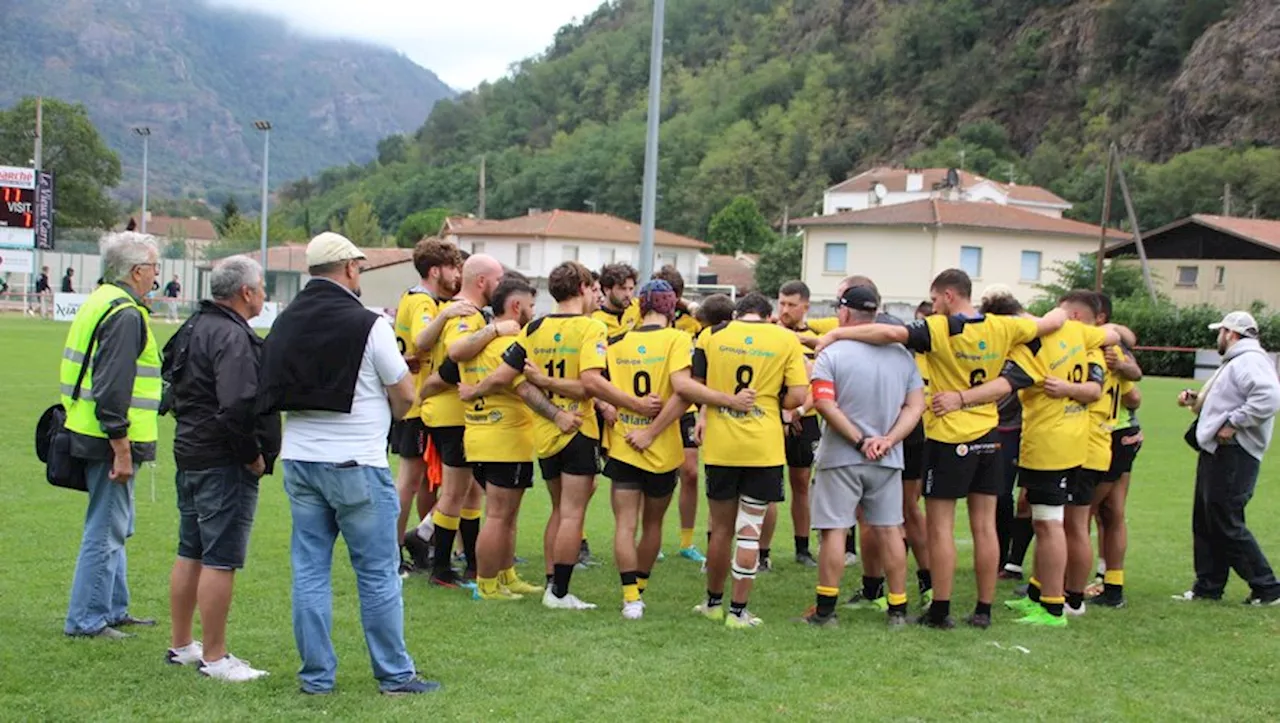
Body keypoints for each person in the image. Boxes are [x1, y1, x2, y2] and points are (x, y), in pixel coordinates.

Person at [817, 269, 1066, 629]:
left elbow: (889, 332)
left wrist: (838, 332)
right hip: (990, 434)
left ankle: (940, 610)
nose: (932, 307)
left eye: (934, 300)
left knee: (940, 529)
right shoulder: (1004, 326)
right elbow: (1053, 321)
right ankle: (983, 610)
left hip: (950, 436)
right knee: (985, 527)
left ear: (949, 296)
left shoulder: (941, 327)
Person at [257, 232, 436, 695]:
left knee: (310, 569)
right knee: (376, 572)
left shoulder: (284, 322)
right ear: (351, 269)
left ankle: (316, 676)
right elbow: (404, 394)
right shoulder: (369, 324)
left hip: (301, 459)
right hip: (357, 461)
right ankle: (394, 674)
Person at [467, 261, 645, 610]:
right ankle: (560, 593)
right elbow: (588, 385)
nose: (595, 294)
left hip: (546, 433)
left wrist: (474, 390)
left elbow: (509, 376)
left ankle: (552, 583)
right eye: (592, 287)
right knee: (572, 514)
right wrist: (634, 405)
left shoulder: (533, 327)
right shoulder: (590, 328)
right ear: (580, 288)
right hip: (579, 428)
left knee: (559, 510)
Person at [937, 290, 1120, 628]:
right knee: (1061, 523)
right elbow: (1115, 333)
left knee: (1048, 525)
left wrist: (959, 398)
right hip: (1079, 443)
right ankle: (1054, 597)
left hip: (1048, 445)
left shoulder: (1032, 346)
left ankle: (1052, 608)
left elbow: (1002, 386)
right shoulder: (1080, 331)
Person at [165, 255, 279, 681]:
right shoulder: (232, 337)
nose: (265, 295)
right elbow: (236, 405)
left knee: (190, 549)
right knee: (220, 558)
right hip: (221, 460)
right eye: (262, 287)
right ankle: (214, 656)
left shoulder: (192, 326)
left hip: (190, 451)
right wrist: (250, 454)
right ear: (246, 292)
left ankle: (182, 644)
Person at [801, 285, 925, 627]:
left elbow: (825, 404)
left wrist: (859, 441)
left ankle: (826, 610)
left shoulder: (832, 353)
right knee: (890, 530)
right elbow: (915, 406)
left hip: (842, 456)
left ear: (843, 314)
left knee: (835, 531)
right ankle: (898, 609)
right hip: (887, 458)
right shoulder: (903, 355)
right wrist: (887, 440)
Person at [60, 232, 163, 640]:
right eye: (155, 269)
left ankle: (113, 609)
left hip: (87, 428)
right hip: (108, 439)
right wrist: (120, 445)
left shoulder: (99, 300)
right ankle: (87, 619)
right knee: (106, 527)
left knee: (116, 522)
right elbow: (112, 386)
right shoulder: (125, 313)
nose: (157, 277)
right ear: (138, 271)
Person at [687, 292, 808, 628]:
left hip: (721, 445)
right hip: (763, 445)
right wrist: (773, 397)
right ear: (768, 316)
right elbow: (798, 396)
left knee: (720, 528)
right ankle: (739, 612)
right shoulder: (785, 339)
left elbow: (695, 388)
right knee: (749, 531)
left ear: (737, 314)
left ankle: (712, 602)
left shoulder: (711, 337)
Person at [433, 275, 552, 601]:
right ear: (515, 306)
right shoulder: (507, 347)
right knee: (499, 516)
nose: (532, 311)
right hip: (506, 439)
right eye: (529, 305)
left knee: (506, 515)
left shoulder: (476, 343)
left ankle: (505, 575)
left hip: (479, 436)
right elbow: (523, 388)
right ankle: (487, 584)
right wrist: (557, 414)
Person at [412, 253, 508, 589]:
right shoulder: (464, 314)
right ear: (482, 281)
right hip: (451, 413)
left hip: (459, 412)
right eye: (499, 278)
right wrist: (495, 331)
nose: (502, 285)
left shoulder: (466, 311)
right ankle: (440, 567)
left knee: (470, 492)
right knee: (454, 492)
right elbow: (457, 352)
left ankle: (469, 562)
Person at [1174, 311, 1280, 605]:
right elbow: (1229, 399)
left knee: (1224, 520)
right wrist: (1197, 400)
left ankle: (1267, 587)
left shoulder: (1249, 361)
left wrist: (1234, 422)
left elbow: (1269, 397)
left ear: (1231, 333)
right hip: (1220, 450)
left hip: (1235, 451)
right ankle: (1208, 586)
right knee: (1207, 519)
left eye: (1220, 332)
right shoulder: (1238, 361)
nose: (1217, 338)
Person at [601, 280, 693, 619]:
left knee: (625, 524)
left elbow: (596, 384)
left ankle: (630, 599)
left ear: (640, 305)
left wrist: (609, 407)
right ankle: (639, 589)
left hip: (624, 445)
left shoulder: (616, 342)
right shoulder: (679, 339)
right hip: (662, 448)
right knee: (653, 524)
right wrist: (652, 433)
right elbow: (683, 395)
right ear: (673, 307)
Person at [391, 239, 465, 577]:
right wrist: (448, 314)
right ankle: (391, 553)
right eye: (454, 268)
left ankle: (423, 543)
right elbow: (422, 340)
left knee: (426, 483)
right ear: (435, 270)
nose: (458, 274)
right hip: (417, 404)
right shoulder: (423, 301)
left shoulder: (414, 297)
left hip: (418, 402)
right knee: (408, 481)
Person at [759, 280, 820, 569]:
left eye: (791, 304)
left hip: (803, 420)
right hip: (771, 419)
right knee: (767, 483)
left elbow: (819, 383)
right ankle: (762, 552)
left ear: (805, 306)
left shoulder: (818, 338)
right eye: (781, 303)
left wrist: (799, 410)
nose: (784, 309)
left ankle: (802, 548)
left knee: (801, 484)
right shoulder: (768, 334)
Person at [1089, 293, 1144, 606]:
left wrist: (1121, 366)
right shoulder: (1111, 339)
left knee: (1084, 512)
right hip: (1124, 433)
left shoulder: (1107, 343)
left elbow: (1134, 389)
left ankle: (1066, 587)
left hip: (1109, 434)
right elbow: (1135, 393)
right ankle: (1111, 585)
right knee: (1112, 514)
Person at [652, 264, 707, 564]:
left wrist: (684, 305)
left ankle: (687, 542)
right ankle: (653, 536)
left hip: (687, 405)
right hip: (657, 403)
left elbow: (718, 315)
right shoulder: (642, 318)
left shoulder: (691, 321)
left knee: (690, 471)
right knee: (658, 473)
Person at [592, 263, 642, 342]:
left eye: (631, 289)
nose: (628, 294)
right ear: (607, 289)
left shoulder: (637, 306)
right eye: (622, 289)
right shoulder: (594, 318)